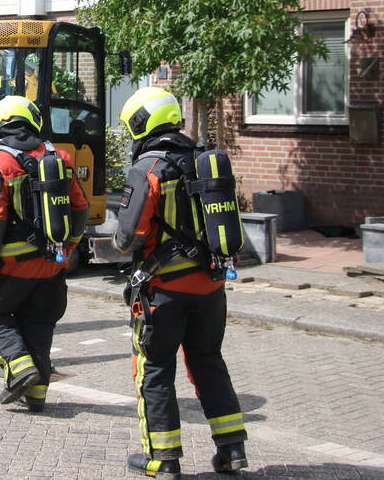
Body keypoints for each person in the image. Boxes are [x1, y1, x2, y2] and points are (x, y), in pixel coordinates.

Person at [115, 87, 247, 479]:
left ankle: (164, 458)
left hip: (164, 291)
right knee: (209, 362)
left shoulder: (149, 168)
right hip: (210, 286)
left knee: (154, 368)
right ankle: (232, 450)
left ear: (143, 123)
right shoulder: (205, 162)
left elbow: (128, 237)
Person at [0, 96, 88, 412]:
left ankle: (19, 367)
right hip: (53, 265)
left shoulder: (1, 162)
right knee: (39, 324)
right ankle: (36, 396)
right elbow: (80, 207)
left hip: (13, 266)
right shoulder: (60, 157)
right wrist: (68, 247)